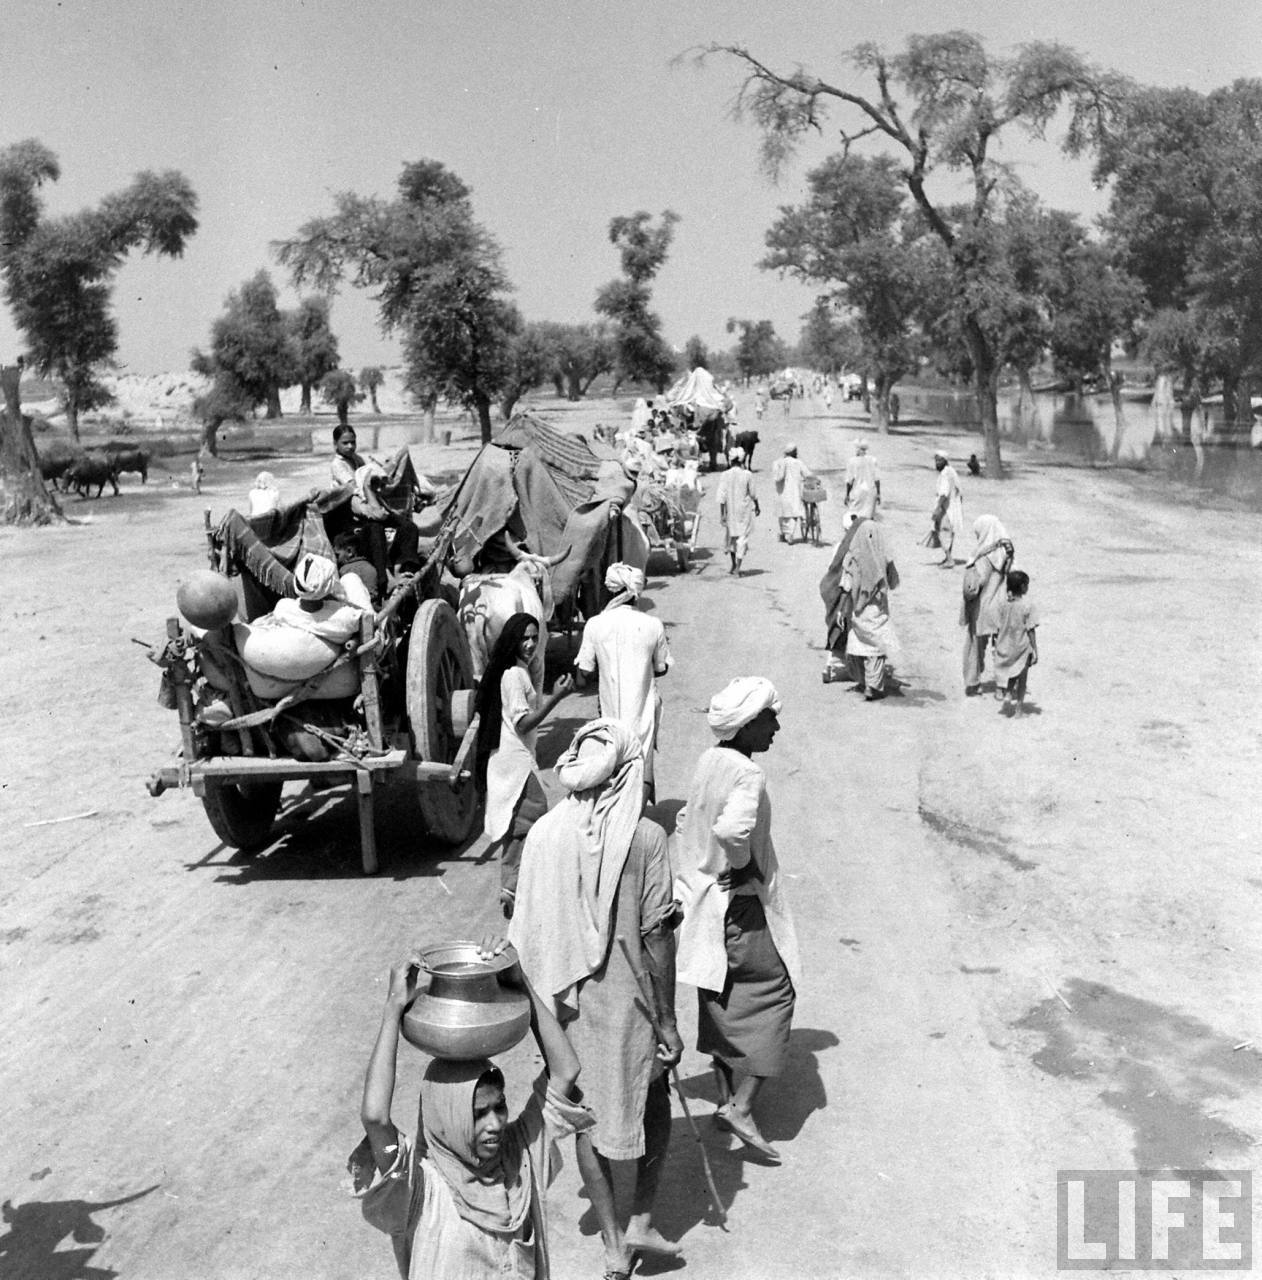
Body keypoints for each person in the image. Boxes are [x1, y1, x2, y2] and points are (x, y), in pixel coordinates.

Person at [509, 720, 683, 1279]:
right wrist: (670, 1023)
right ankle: (633, 1228)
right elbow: (656, 937)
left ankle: (615, 1241)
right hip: (632, 1005)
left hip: (567, 1004)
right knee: (637, 1110)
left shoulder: (547, 833)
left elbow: (526, 933)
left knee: (589, 1117)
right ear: (628, 774)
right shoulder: (646, 837)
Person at [350, 938, 594, 1279]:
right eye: (478, 1114)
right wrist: (394, 1006)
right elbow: (375, 1118)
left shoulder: (519, 1159)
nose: (495, 1124)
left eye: (499, 1107)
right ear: (446, 1118)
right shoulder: (420, 1187)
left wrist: (519, 984)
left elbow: (565, 1070)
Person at [673, 678, 800, 1163]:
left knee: (722, 997)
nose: (776, 727)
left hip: (704, 904)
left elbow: (689, 819)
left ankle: (726, 1099)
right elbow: (730, 829)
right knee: (776, 992)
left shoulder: (710, 760)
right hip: (738, 905)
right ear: (747, 725)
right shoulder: (748, 774)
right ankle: (741, 1108)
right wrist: (744, 865)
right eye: (770, 719)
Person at [476, 615, 575, 919]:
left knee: (520, 821)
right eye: (524, 639)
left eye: (534, 638)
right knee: (532, 815)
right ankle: (514, 888)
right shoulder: (514, 676)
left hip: (511, 757)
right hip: (514, 758)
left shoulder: (515, 672)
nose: (530, 644)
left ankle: (516, 887)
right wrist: (557, 698)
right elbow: (523, 723)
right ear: (513, 641)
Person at [575, 564, 672, 802]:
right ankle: (637, 815)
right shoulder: (653, 624)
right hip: (643, 711)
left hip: (609, 714)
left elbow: (583, 675)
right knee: (644, 761)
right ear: (636, 592)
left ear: (609, 591)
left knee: (611, 766)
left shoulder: (595, 624)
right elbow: (662, 668)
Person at [818, 514, 901, 698]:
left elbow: (846, 586)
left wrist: (845, 608)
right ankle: (872, 685)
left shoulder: (852, 558)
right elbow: (894, 582)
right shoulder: (884, 557)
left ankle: (863, 680)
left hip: (858, 609)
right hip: (877, 609)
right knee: (876, 648)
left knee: (858, 646)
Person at [961, 516, 1014, 696]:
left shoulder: (982, 558)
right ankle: (1002, 687)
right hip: (1003, 608)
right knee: (1001, 648)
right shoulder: (1007, 552)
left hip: (982, 611)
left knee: (975, 647)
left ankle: (973, 683)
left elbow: (974, 588)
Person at [993, 569, 1039, 716]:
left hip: (1006, 643)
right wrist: (1035, 649)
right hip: (1022, 645)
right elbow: (1031, 629)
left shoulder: (1003, 603)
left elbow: (997, 625)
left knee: (1012, 670)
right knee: (1022, 676)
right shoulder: (1028, 605)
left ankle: (1007, 693)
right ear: (1023, 587)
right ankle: (1018, 709)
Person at [716, 447, 760, 576]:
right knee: (742, 538)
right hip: (744, 511)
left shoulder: (725, 475)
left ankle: (734, 564)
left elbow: (721, 496)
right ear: (741, 460)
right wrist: (757, 506)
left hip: (730, 511)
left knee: (731, 536)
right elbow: (753, 493)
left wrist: (722, 514)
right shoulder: (747, 474)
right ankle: (737, 568)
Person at [771, 444, 812, 543]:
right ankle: (789, 534)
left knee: (782, 514)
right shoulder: (798, 462)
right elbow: (808, 474)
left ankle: (785, 533)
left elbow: (777, 477)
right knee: (794, 513)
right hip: (794, 492)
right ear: (793, 452)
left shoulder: (778, 462)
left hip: (782, 492)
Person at [931, 449, 964, 567]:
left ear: (945, 461)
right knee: (948, 533)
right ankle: (948, 557)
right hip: (952, 508)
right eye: (936, 461)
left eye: (939, 461)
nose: (937, 463)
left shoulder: (946, 474)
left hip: (946, 508)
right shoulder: (951, 471)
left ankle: (950, 560)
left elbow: (944, 494)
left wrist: (938, 508)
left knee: (942, 532)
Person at [844, 439, 881, 520]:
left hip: (858, 492)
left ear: (857, 449)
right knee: (869, 517)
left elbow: (849, 481)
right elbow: (877, 479)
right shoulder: (873, 460)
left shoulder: (852, 461)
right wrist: (878, 493)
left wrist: (847, 495)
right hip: (871, 492)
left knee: (854, 516)